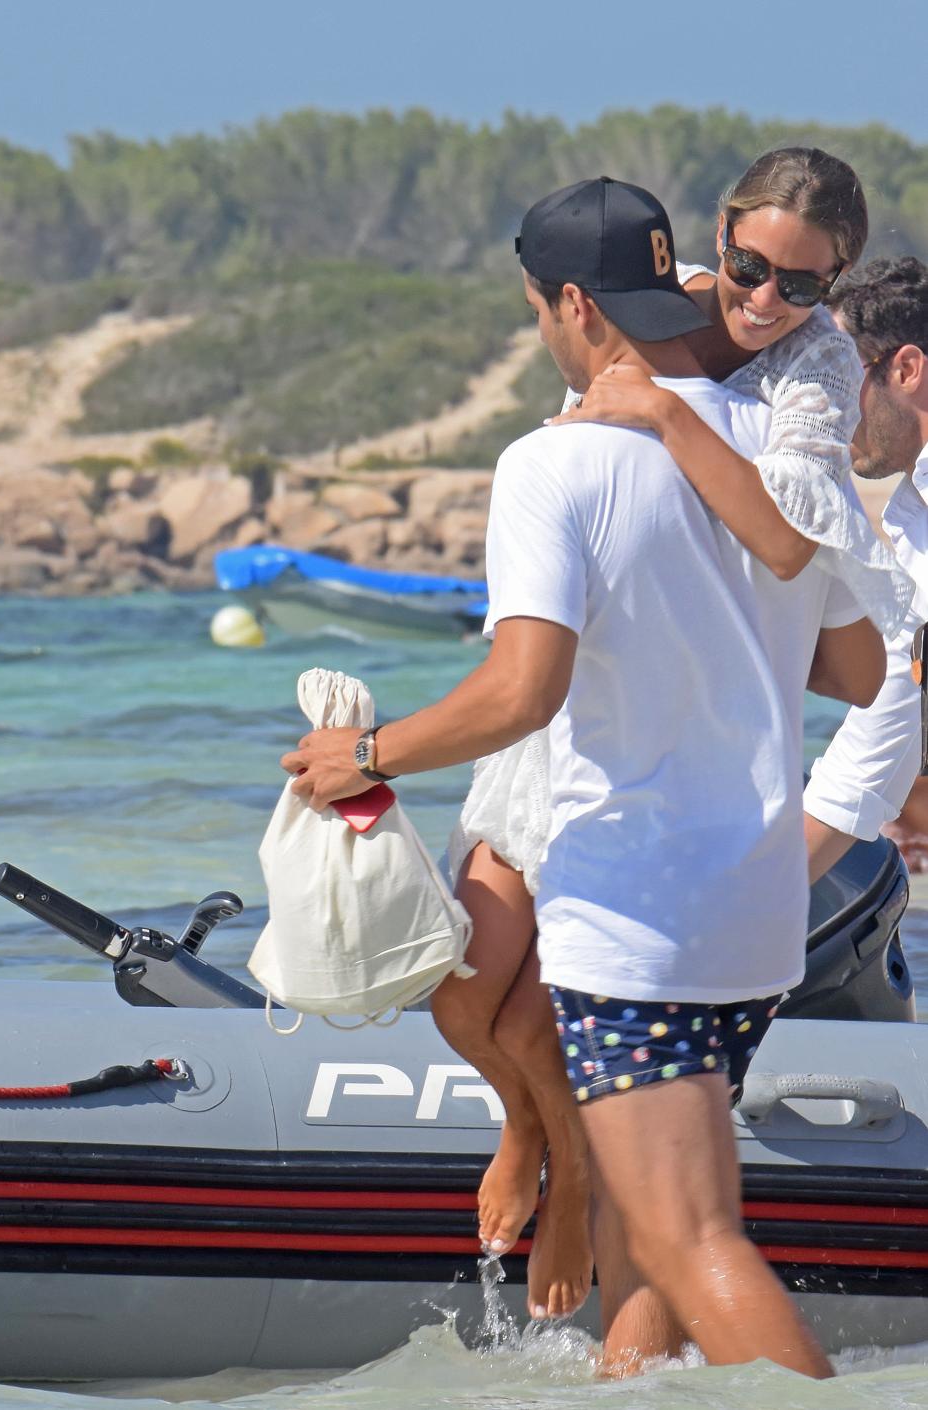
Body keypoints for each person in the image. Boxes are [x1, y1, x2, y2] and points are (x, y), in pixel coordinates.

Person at [287, 176, 874, 1376]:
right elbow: (857, 667)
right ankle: (627, 1387)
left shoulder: (552, 464)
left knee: (691, 1237)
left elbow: (521, 693)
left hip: (637, 915)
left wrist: (365, 754)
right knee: (636, 1226)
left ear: (560, 302)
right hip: (756, 912)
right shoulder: (771, 450)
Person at [437, 147, 908, 1334]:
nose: (763, 301)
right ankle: (540, 1144)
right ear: (715, 239)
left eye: (801, 284)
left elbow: (794, 547)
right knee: (465, 988)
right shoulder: (649, 292)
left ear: (836, 284)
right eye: (748, 267)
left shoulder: (812, 370)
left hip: (665, 779)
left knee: (677, 1218)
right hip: (603, 688)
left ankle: (585, 1176)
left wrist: (652, 409)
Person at [802, 257, 928, 877]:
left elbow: (876, 746)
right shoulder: (914, 517)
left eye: (835, 379)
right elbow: (883, 738)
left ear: (904, 369)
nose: (824, 410)